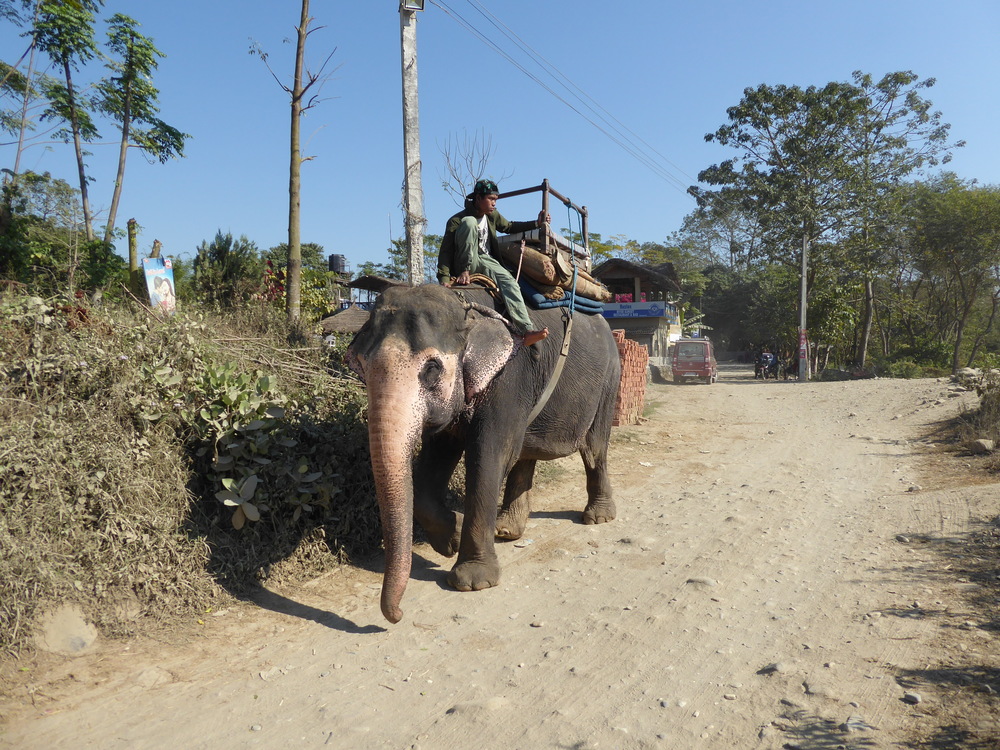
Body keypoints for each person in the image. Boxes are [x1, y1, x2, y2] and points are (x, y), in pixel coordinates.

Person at [437, 179, 549, 346]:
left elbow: (509, 226)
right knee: (469, 222)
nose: (494, 204)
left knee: (510, 282)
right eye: (491, 199)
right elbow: (445, 250)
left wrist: (536, 223)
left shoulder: (492, 216)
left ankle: (526, 330)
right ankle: (465, 271)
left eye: (496, 200)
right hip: (465, 261)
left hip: (486, 260)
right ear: (478, 198)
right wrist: (444, 278)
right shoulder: (456, 220)